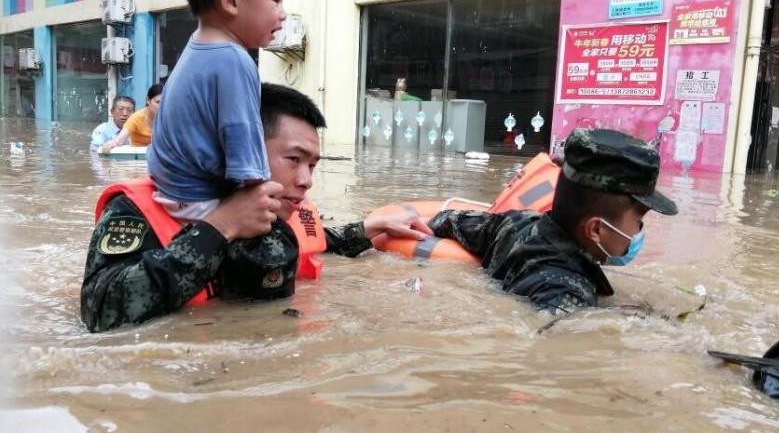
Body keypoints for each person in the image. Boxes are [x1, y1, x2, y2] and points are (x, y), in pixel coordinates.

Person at [81, 84, 431, 333]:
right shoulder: (140, 209)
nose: (307, 180)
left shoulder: (284, 207)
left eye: (313, 165)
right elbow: (99, 310)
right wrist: (220, 227)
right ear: (239, 148)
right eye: (294, 159)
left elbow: (319, 242)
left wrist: (369, 228)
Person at [427, 128, 678, 313]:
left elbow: (448, 220)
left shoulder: (515, 223)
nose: (639, 232)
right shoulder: (568, 294)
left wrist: (423, 221)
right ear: (596, 230)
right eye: (638, 221)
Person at [146, 0, 289, 222]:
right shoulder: (234, 59)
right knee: (281, 233)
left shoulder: (197, 48)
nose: (283, 12)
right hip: (201, 202)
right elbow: (246, 156)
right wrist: (275, 198)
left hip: (172, 192)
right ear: (231, 0)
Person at [99, 84, 162, 152]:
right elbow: (119, 140)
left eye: (165, 102)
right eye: (158, 102)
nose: (162, 106)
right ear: (148, 100)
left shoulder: (170, 118)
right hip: (138, 157)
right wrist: (111, 144)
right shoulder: (136, 118)